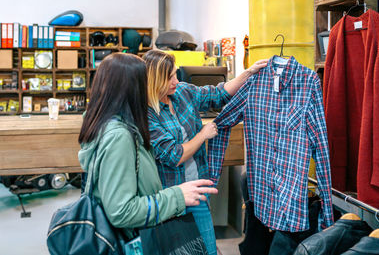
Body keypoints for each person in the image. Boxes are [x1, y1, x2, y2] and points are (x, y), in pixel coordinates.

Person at [77, 53, 218, 241]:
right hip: (135, 234)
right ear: (132, 88)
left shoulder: (106, 122)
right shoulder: (119, 136)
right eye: (146, 81)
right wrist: (177, 196)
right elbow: (122, 211)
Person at [144, 49, 268, 255]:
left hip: (198, 188)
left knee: (208, 249)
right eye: (169, 77)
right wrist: (203, 134)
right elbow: (173, 156)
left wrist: (248, 73)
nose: (176, 80)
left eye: (175, 73)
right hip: (170, 196)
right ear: (155, 80)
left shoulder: (183, 92)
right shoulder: (147, 112)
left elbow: (219, 93)